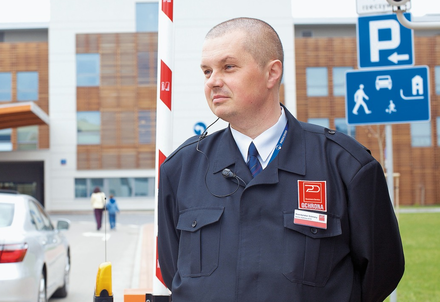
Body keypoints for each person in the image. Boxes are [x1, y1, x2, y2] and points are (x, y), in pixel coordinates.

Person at [157, 17, 404, 301]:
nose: (213, 81)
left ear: (272, 73)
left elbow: (381, 271)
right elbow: (174, 266)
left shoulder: (345, 165)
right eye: (206, 71)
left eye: (228, 67)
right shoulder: (181, 169)